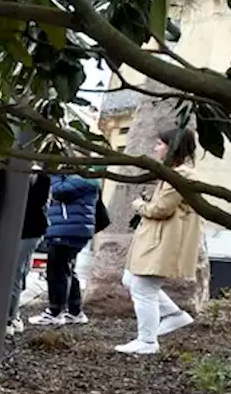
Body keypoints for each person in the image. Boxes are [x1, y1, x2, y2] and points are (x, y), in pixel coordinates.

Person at [116, 128, 202, 355]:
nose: (156, 148)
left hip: (163, 240)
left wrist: (139, 205)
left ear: (172, 147)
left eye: (160, 144)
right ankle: (175, 315)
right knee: (130, 279)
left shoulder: (181, 175)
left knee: (144, 289)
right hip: (156, 238)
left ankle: (147, 341)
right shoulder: (174, 174)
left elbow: (161, 209)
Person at [28, 173, 99, 327]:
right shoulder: (82, 178)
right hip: (70, 229)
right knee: (67, 270)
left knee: (56, 271)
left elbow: (58, 191)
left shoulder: (81, 178)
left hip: (67, 230)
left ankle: (55, 312)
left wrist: (52, 174)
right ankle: (74, 311)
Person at [7, 172, 51, 336]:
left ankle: (10, 316)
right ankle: (12, 314)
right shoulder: (38, 176)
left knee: (15, 273)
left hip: (28, 230)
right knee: (18, 272)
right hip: (28, 229)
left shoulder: (39, 176)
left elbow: (35, 201)